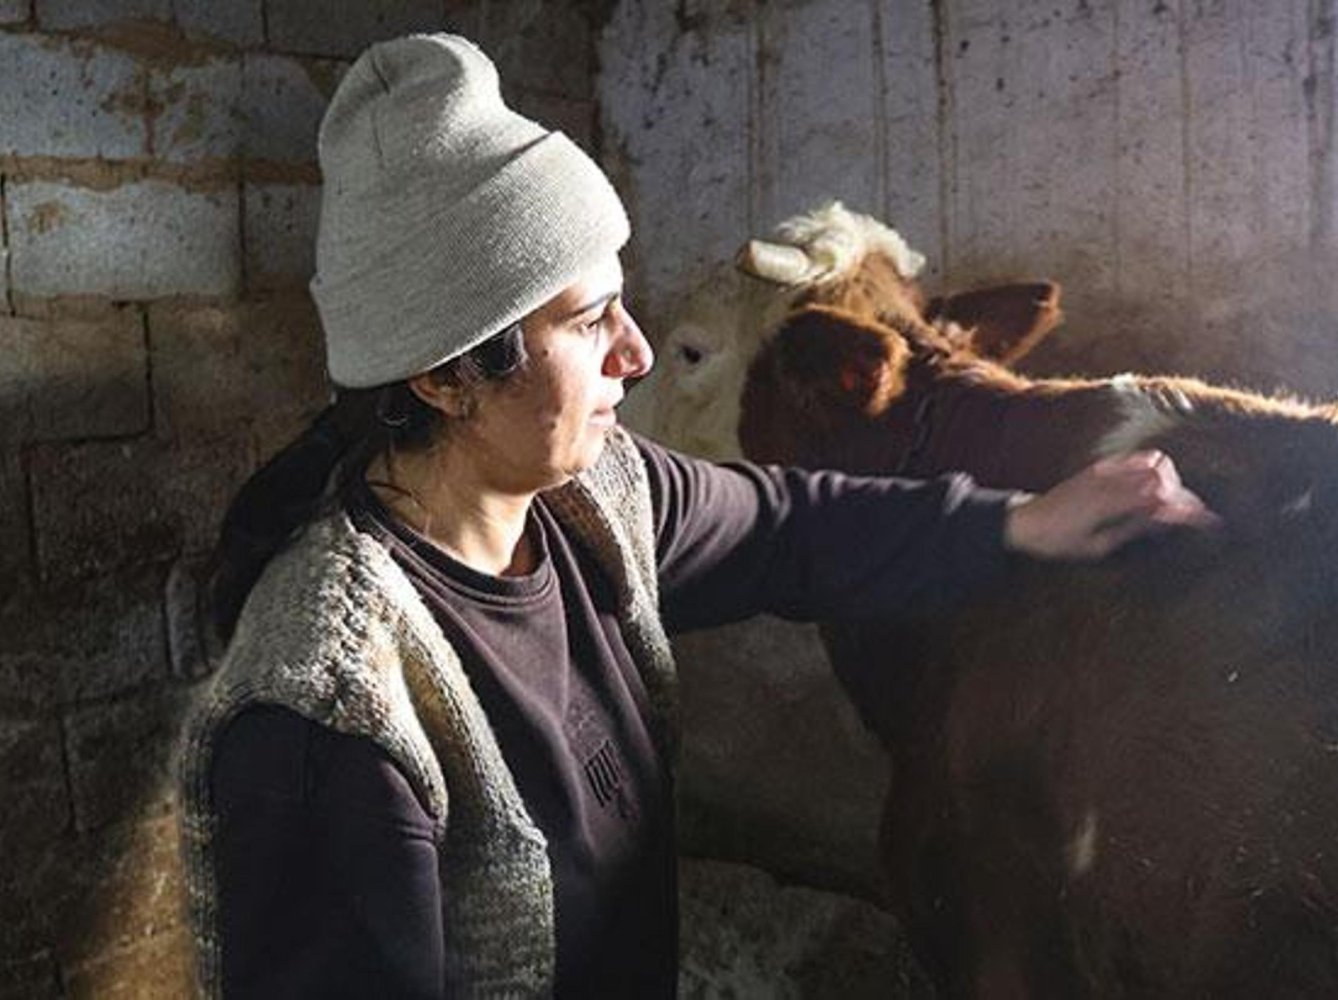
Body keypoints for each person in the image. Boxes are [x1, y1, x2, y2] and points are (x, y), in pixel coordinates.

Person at [176, 33, 1214, 999]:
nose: (633, 352)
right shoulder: (330, 720)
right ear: (448, 375)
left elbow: (781, 525)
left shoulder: (594, 495)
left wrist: (1015, 524)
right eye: (589, 322)